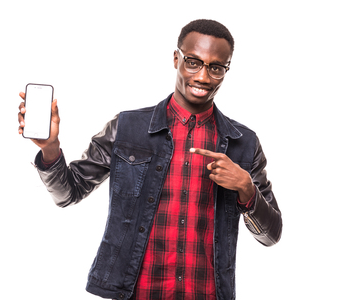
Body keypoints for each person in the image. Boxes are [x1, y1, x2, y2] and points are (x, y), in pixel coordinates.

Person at [17, 19, 282, 300]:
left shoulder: (244, 144)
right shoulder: (127, 128)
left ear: (226, 70)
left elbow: (271, 234)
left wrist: (247, 190)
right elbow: (68, 193)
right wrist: (50, 147)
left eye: (216, 67)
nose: (203, 77)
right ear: (176, 58)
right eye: (193, 62)